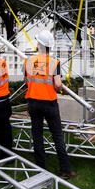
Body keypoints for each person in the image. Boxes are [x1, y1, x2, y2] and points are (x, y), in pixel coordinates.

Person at [24, 30, 77, 180]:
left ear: (39, 44)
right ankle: (65, 170)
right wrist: (57, 88)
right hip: (49, 103)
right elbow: (58, 84)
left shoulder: (28, 61)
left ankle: (41, 169)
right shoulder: (54, 62)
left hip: (33, 102)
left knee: (37, 135)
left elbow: (27, 81)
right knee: (57, 135)